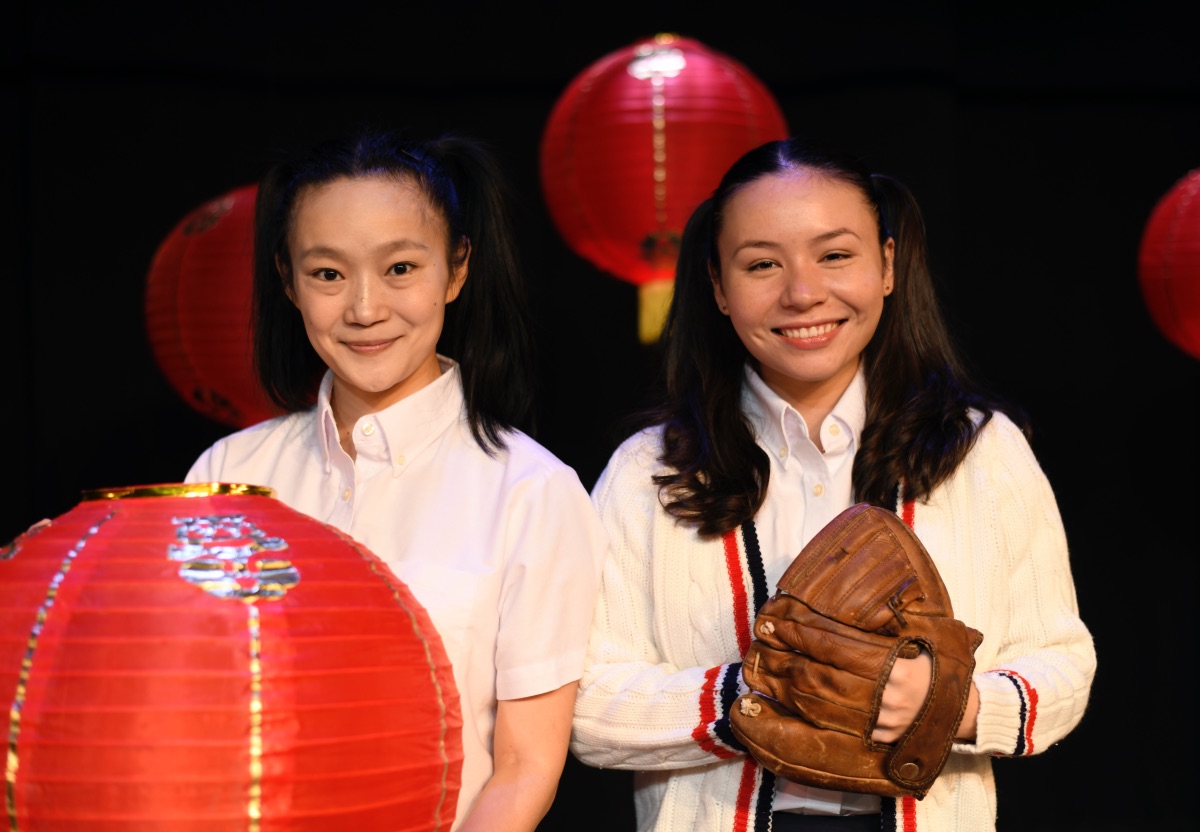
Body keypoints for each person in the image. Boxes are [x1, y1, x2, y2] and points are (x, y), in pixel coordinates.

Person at [570, 137, 1096, 831]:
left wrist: (947, 703)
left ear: (887, 264)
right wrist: (755, 692)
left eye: (835, 254)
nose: (803, 292)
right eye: (762, 264)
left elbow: (1061, 663)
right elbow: (581, 703)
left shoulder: (980, 449)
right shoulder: (650, 470)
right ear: (719, 288)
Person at [185, 129, 609, 832]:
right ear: (288, 281)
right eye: (327, 274)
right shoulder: (229, 474)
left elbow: (526, 766)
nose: (364, 308)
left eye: (400, 269)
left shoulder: (531, 491)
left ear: (456, 269)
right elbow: (190, 705)